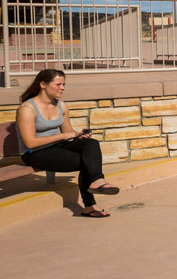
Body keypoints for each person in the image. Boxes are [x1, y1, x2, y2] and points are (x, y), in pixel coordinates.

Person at [15, 69, 114, 217]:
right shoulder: (27, 109)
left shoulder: (61, 105)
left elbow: (69, 132)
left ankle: (97, 181)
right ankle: (90, 205)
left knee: (91, 144)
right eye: (58, 84)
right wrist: (62, 136)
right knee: (86, 161)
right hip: (34, 152)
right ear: (43, 84)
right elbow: (30, 143)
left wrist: (79, 135)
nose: (62, 88)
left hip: (56, 145)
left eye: (64, 84)